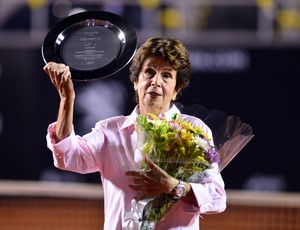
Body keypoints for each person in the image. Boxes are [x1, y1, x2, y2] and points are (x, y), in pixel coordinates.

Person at [43, 37, 226, 230]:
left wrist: (175, 187)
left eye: (166, 75)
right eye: (149, 72)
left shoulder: (194, 131)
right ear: (136, 82)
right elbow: (67, 156)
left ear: (176, 90)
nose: (155, 82)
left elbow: (217, 198)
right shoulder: (109, 131)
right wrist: (66, 99)